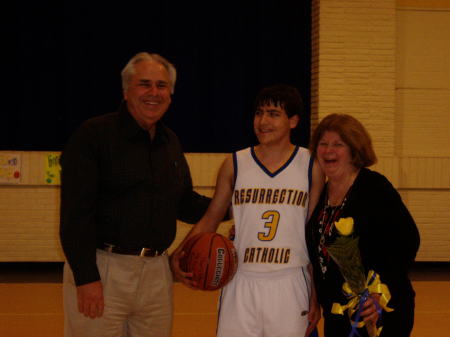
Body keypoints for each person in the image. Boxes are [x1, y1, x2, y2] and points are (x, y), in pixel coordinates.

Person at [59, 52, 210, 337]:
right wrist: (86, 278)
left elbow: (184, 203)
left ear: (171, 94)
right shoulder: (93, 135)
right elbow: (75, 217)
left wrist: (235, 202)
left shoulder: (170, 141)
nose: (154, 93)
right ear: (126, 90)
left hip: (156, 273)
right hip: (104, 269)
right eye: (145, 84)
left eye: (162, 86)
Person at [171, 84, 324, 337]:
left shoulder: (310, 166)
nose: (263, 121)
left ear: (294, 121)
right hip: (241, 279)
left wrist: (315, 295)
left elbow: (314, 237)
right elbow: (211, 217)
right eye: (259, 113)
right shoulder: (235, 163)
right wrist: (181, 252)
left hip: (291, 280)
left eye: (273, 114)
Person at [306, 113, 420, 337]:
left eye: (338, 144)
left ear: (354, 150)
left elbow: (407, 241)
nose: (328, 150)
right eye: (323, 144)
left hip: (378, 310)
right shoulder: (320, 194)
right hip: (337, 311)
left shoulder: (374, 187)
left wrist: (379, 290)